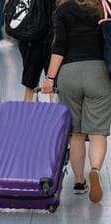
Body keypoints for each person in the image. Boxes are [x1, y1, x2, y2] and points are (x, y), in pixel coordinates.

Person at [41, 0, 111, 203]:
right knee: (98, 131)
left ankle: (79, 181)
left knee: (76, 133)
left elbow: (59, 47)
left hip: (69, 74)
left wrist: (50, 78)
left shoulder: (63, 9)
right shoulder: (103, 6)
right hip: (98, 73)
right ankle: (95, 169)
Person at [18, 0, 56, 101]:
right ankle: (56, 115)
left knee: (30, 86)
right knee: (54, 87)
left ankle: (29, 115)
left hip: (30, 37)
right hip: (51, 37)